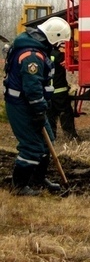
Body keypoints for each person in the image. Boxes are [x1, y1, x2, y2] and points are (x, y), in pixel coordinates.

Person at [3, 17, 71, 196]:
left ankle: (37, 179)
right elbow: (32, 88)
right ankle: (19, 186)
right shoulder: (32, 55)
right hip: (22, 105)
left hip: (31, 105)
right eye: (60, 43)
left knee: (47, 141)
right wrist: (39, 110)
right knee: (32, 145)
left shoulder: (38, 49)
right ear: (53, 37)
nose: (60, 46)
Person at [47, 47, 80, 140]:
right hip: (59, 91)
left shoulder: (42, 54)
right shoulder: (58, 55)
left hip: (47, 92)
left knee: (50, 115)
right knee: (66, 113)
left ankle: (51, 137)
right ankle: (71, 137)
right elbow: (75, 62)